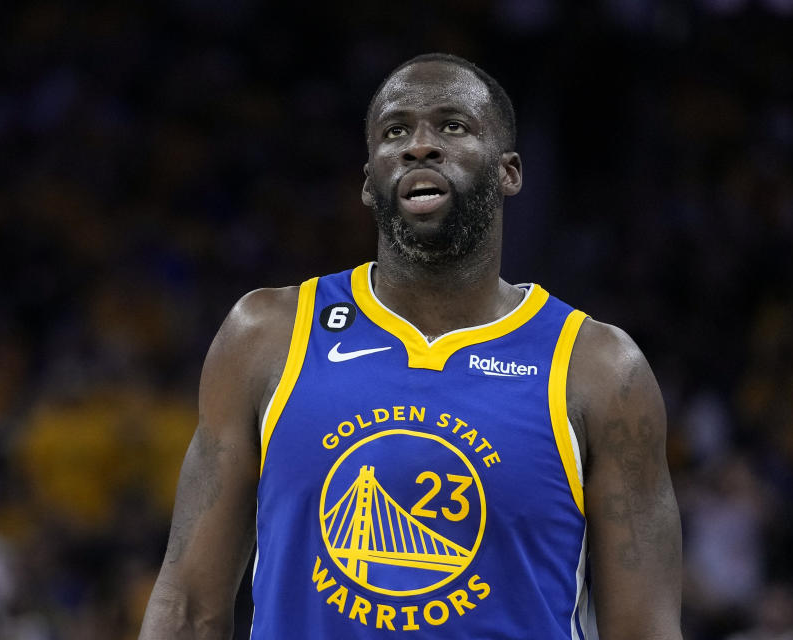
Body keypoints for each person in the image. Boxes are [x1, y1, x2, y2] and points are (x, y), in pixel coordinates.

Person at [138, 53, 682, 639]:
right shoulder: (266, 335)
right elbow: (189, 605)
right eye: (396, 131)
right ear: (369, 182)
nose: (419, 146)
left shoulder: (600, 369)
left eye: (453, 126)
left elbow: (645, 630)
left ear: (509, 172)